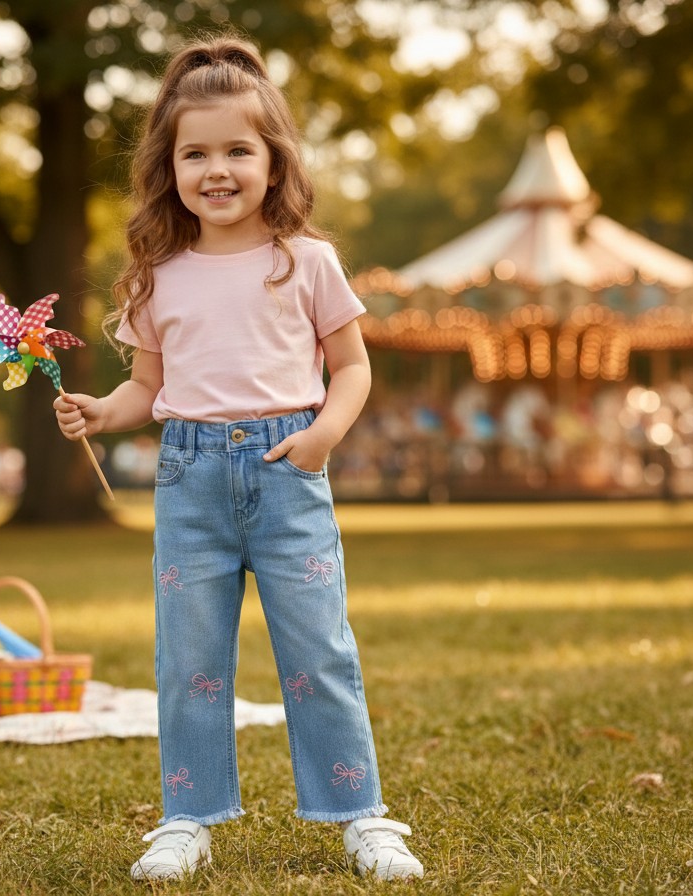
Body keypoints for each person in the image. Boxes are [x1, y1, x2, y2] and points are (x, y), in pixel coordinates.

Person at [54, 34, 423, 883]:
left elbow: (354, 366)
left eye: (236, 151)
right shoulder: (156, 273)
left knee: (318, 652)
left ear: (272, 160)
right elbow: (147, 386)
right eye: (194, 153)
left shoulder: (306, 261)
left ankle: (358, 813)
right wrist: (100, 413)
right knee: (189, 662)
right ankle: (188, 815)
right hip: (189, 482)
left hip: (288, 468)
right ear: (168, 165)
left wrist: (324, 433)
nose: (215, 170)